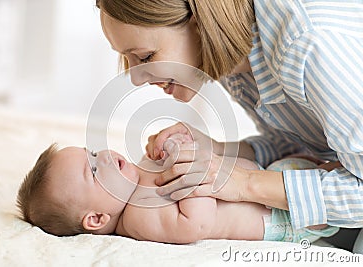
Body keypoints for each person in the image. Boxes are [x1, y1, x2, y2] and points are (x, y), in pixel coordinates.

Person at [95, 0, 363, 247]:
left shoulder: (308, 47)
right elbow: (308, 141)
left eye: (145, 57)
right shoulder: (239, 66)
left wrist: (244, 182)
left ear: (200, 26)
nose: (136, 78)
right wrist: (216, 150)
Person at [16, 137, 338, 244]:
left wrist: (168, 149)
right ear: (97, 218)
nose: (105, 157)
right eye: (95, 169)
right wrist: (193, 173)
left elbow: (168, 168)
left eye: (92, 152)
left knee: (325, 165)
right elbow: (195, 224)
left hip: (268, 179)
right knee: (333, 194)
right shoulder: (138, 220)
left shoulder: (135, 179)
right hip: (281, 218)